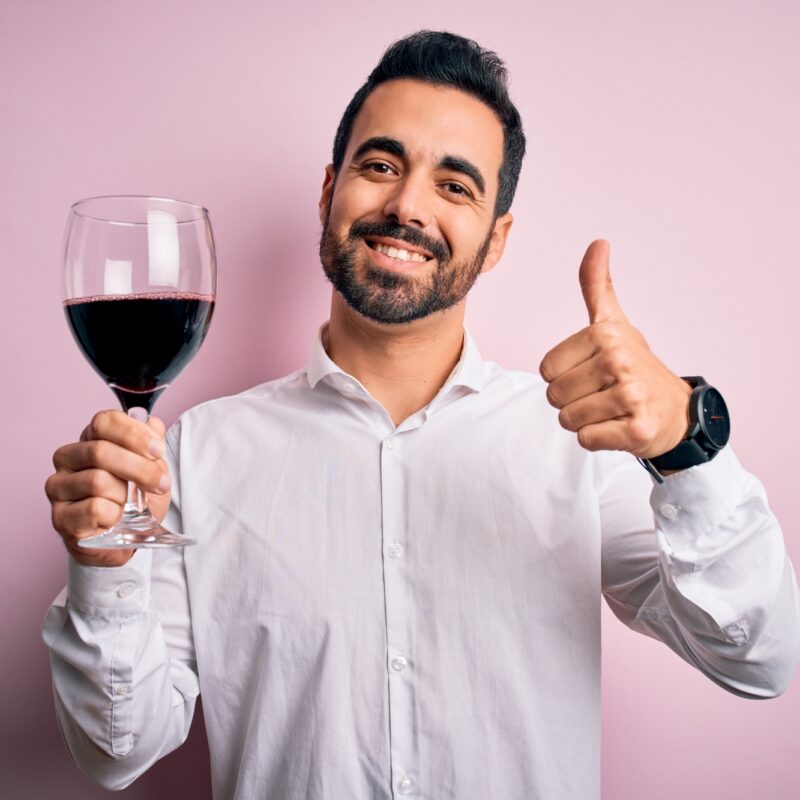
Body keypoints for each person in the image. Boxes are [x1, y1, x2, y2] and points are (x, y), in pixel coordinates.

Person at [43, 30, 800, 800]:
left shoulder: (577, 444)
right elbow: (117, 750)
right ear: (328, 192)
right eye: (380, 166)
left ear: (496, 239)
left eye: (455, 186)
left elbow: (761, 658)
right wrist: (103, 569)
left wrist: (687, 446)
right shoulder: (197, 455)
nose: (407, 206)